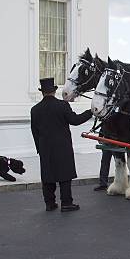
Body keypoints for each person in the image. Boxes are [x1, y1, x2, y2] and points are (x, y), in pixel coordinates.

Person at [30, 77, 93, 212]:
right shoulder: (62, 105)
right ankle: (66, 203)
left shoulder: (35, 109)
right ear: (53, 91)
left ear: (42, 92)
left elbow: (34, 131)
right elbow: (75, 120)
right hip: (62, 146)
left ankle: (50, 203)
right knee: (65, 176)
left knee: (47, 176)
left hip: (45, 147)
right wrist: (90, 112)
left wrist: (39, 148)